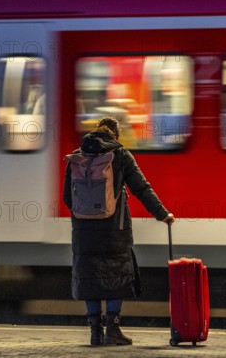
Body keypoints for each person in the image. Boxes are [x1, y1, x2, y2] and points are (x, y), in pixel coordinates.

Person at [63, 116, 175, 346]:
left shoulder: (77, 156)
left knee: (89, 277)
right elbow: (141, 188)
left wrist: (86, 216)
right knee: (115, 276)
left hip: (83, 230)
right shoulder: (121, 155)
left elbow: (68, 198)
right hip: (114, 229)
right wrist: (163, 214)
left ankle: (95, 332)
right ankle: (113, 330)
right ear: (116, 134)